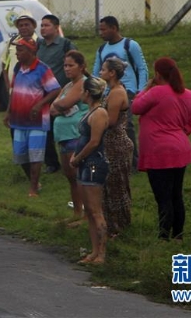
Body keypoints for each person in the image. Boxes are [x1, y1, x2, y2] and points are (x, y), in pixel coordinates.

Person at [131, 57, 191, 241]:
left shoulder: (157, 92)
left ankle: (163, 235)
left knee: (162, 197)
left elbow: (135, 107)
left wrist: (147, 88)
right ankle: (178, 235)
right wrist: (186, 129)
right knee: (176, 195)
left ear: (157, 74)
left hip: (159, 151)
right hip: (180, 149)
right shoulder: (186, 93)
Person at [3, 37, 61, 197]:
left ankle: (34, 188)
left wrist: (39, 104)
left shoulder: (42, 69)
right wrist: (8, 111)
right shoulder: (17, 68)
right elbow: (13, 90)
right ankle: (34, 182)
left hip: (36, 121)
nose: (17, 54)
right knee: (20, 155)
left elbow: (55, 90)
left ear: (31, 51)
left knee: (35, 155)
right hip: (18, 119)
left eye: (20, 51)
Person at [92, 16, 148, 171]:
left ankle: (134, 163)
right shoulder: (102, 49)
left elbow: (142, 67)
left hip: (127, 91)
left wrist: (140, 91)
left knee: (126, 125)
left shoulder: (130, 45)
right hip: (107, 93)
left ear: (114, 28)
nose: (101, 33)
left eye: (104, 29)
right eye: (100, 30)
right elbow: (96, 72)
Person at [69, 77, 110, 265]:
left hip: (94, 163)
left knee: (95, 210)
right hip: (85, 164)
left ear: (87, 93)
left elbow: (94, 141)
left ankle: (101, 253)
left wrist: (78, 157)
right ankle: (94, 251)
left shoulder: (99, 113)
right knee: (90, 212)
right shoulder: (90, 111)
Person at [50, 51, 89, 221]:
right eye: (65, 65)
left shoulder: (83, 84)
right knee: (70, 177)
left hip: (76, 134)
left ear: (81, 67)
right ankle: (77, 212)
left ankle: (88, 213)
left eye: (71, 65)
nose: (67, 69)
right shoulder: (67, 86)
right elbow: (52, 109)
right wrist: (59, 106)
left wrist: (60, 106)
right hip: (64, 136)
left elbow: (62, 103)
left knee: (80, 176)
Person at [98, 57, 133, 238]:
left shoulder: (117, 92)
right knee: (108, 186)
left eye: (103, 70)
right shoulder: (110, 90)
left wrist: (93, 121)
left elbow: (110, 121)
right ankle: (111, 224)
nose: (100, 72)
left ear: (112, 73)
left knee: (117, 186)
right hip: (109, 144)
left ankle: (120, 225)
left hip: (116, 144)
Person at [37, 14, 76, 174]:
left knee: (64, 129)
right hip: (43, 95)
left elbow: (76, 63)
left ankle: (71, 159)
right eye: (42, 25)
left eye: (46, 25)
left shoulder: (65, 44)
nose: (43, 28)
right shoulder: (39, 46)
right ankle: (52, 163)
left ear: (55, 27)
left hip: (61, 95)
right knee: (46, 131)